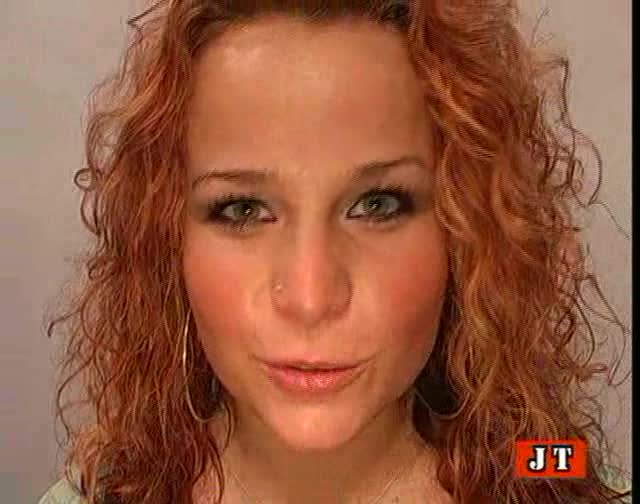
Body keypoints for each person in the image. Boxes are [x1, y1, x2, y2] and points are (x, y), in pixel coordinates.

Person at [39, 1, 631, 503]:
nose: (311, 297)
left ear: (469, 228)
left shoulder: (551, 473)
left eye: (378, 204)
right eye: (242, 210)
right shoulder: (103, 493)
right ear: (167, 240)